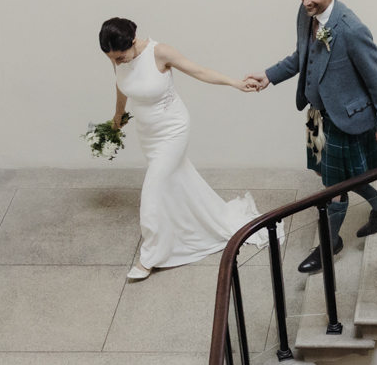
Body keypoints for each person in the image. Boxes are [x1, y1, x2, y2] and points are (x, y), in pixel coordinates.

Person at [240, 0, 377, 273]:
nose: (306, 1)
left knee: (333, 186)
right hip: (318, 115)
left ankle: (329, 243)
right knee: (327, 175)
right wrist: (269, 76)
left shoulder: (351, 29)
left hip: (347, 118)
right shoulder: (307, 14)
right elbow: (303, 56)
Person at [101, 17, 259, 282]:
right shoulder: (116, 56)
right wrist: (117, 117)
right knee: (176, 180)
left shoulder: (159, 52)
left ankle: (149, 257)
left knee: (153, 187)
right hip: (147, 134)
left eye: (120, 57)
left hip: (173, 129)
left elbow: (199, 71)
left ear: (131, 42)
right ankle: (201, 221)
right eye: (112, 59)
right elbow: (121, 85)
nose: (117, 62)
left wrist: (235, 83)